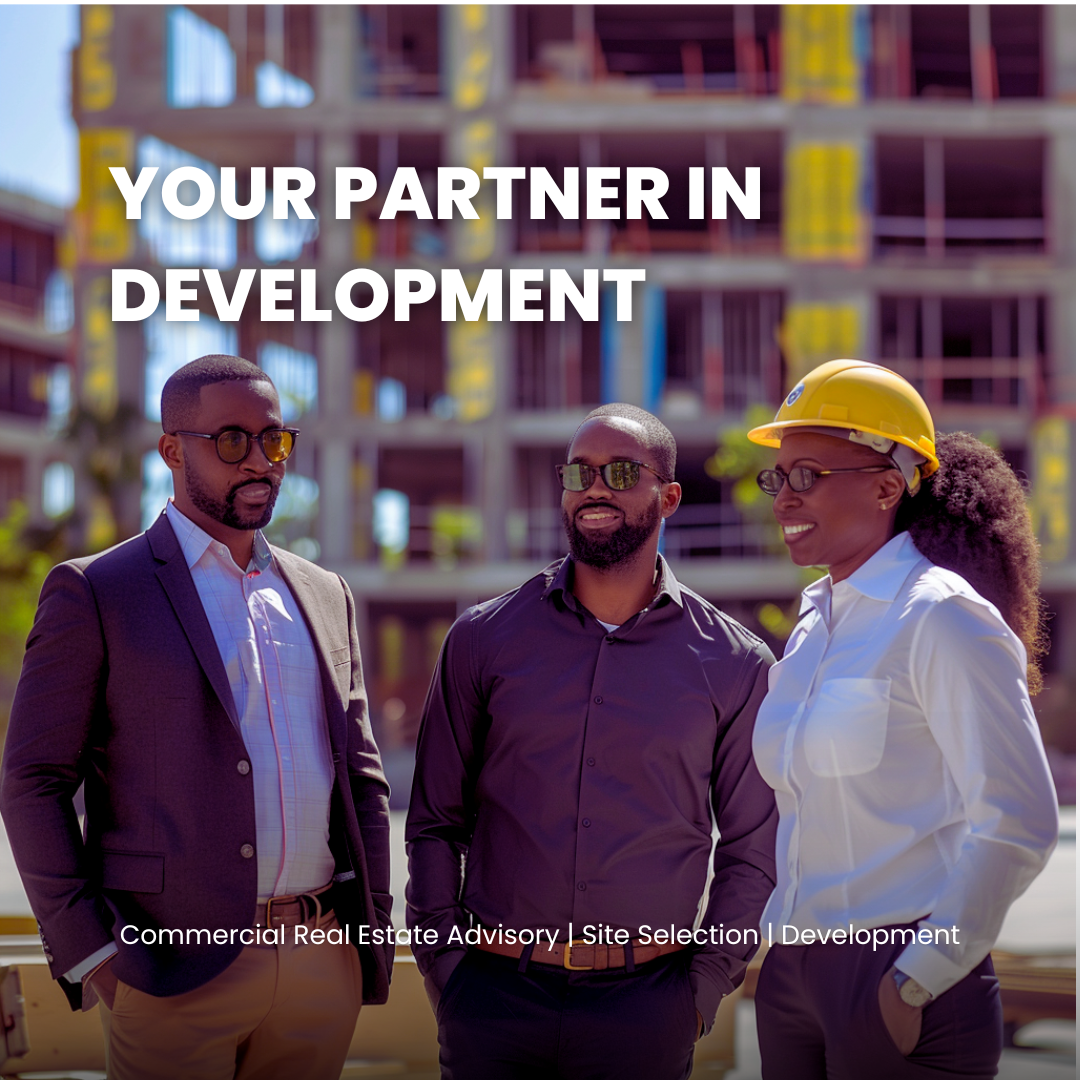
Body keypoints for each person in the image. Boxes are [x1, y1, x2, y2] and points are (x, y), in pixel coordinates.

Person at [1, 355, 393, 1080]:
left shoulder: (324, 593)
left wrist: (369, 928)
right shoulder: (96, 591)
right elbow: (32, 779)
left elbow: (362, 780)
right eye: (233, 440)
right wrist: (91, 952)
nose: (261, 461)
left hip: (318, 962)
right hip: (168, 971)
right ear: (173, 451)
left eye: (274, 440)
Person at [406, 402, 777, 1080]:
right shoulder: (483, 640)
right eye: (580, 472)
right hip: (492, 1000)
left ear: (667, 497)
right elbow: (434, 824)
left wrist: (701, 990)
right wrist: (447, 970)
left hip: (648, 1007)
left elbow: (753, 850)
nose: (595, 487)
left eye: (621, 471)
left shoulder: (736, 663)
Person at [745, 359, 1059, 1079]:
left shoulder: (941, 615)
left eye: (807, 476)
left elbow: (1018, 820)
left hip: (899, 982)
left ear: (888, 484)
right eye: (778, 476)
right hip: (794, 979)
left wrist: (917, 976)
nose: (784, 498)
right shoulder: (814, 623)